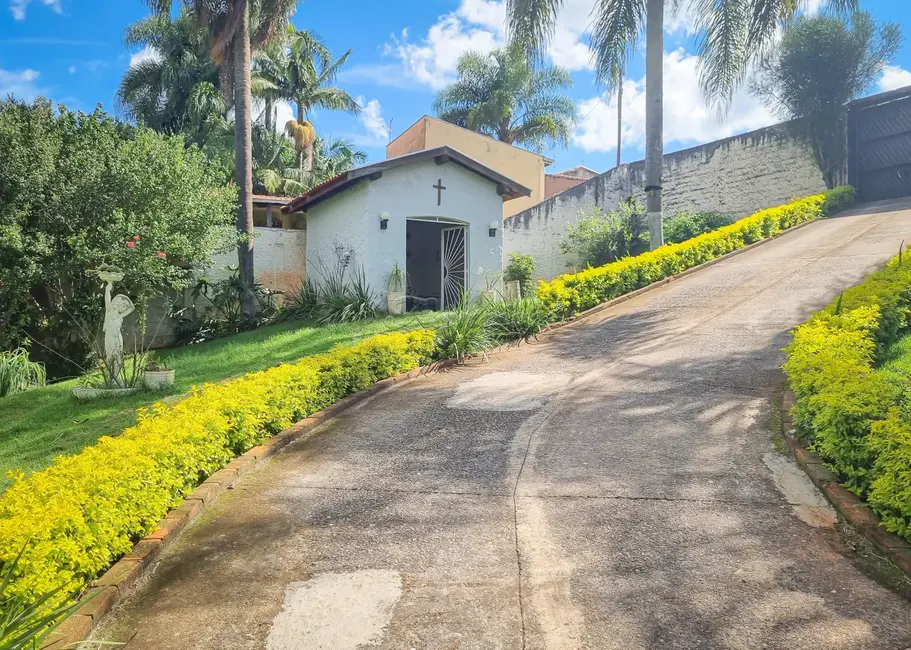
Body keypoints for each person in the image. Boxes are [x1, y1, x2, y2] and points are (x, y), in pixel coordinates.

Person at [103, 281, 135, 386]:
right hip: (110, 338)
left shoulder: (120, 316)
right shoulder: (109, 311)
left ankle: (115, 378)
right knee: (110, 357)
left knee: (118, 360)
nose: (125, 308)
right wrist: (108, 288)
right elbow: (107, 299)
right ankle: (108, 379)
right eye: (124, 306)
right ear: (118, 304)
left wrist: (124, 298)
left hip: (118, 338)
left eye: (125, 307)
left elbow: (132, 308)